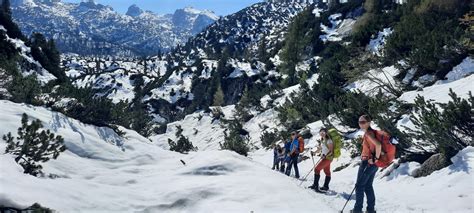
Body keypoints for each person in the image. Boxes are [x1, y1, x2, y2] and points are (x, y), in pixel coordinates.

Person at [351, 115, 381, 213]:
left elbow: (378, 145)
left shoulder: (368, 133)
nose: (361, 124)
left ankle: (357, 210)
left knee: (359, 186)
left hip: (368, 163)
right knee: (368, 186)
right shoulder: (371, 133)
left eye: (363, 122)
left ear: (369, 122)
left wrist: (375, 159)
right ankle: (371, 210)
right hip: (373, 164)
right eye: (359, 122)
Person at [309, 128, 333, 192]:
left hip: (328, 158)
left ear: (326, 133)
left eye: (323, 132)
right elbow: (320, 149)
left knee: (317, 169)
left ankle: (315, 185)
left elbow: (331, 151)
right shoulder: (322, 140)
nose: (322, 133)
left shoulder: (329, 140)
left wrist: (325, 155)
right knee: (327, 172)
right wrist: (314, 152)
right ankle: (325, 187)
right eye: (321, 132)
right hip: (325, 157)